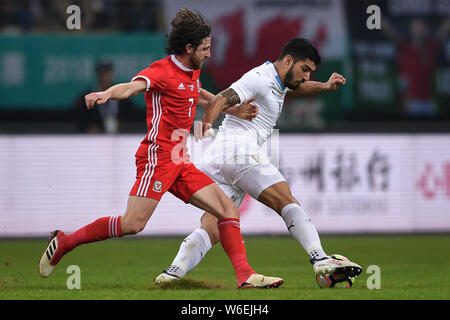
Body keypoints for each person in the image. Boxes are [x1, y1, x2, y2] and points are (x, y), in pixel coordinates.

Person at [39, 8, 283, 289]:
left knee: (227, 209)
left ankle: (245, 276)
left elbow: (199, 94)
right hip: (158, 159)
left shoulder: (192, 72)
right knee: (132, 224)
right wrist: (107, 93)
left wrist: (235, 109)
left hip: (181, 160)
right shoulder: (161, 71)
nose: (208, 54)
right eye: (204, 48)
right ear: (189, 48)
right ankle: (66, 242)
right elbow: (131, 88)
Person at [155, 38, 362, 287]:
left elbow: (297, 88)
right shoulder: (259, 78)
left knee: (212, 225)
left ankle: (172, 273)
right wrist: (207, 123)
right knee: (285, 201)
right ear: (288, 60)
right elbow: (221, 98)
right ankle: (320, 259)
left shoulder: (280, 81)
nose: (306, 77)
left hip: (221, 156)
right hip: (239, 151)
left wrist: (325, 87)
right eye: (304, 69)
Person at [73, 60, 139, 134]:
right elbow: (79, 118)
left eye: (107, 73)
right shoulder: (87, 97)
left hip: (119, 137)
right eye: (102, 73)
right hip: (95, 138)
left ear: (112, 73)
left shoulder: (122, 94)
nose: (105, 76)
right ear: (97, 74)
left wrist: (124, 126)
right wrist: (88, 127)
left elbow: (132, 116)